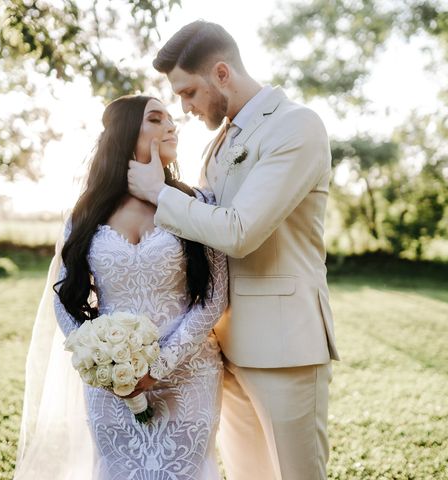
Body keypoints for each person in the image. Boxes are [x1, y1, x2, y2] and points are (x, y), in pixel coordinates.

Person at [128, 21, 340, 480]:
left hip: (285, 347)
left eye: (188, 92)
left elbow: (241, 230)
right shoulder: (219, 143)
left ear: (221, 73)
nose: (184, 108)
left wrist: (160, 194)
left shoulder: (296, 125)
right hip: (223, 347)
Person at [14, 95, 228, 480]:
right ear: (126, 132)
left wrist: (158, 366)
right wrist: (101, 364)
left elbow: (213, 299)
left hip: (190, 374)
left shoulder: (197, 203)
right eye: (156, 119)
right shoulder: (85, 213)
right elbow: (64, 298)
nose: (171, 126)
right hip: (113, 386)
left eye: (171, 119)